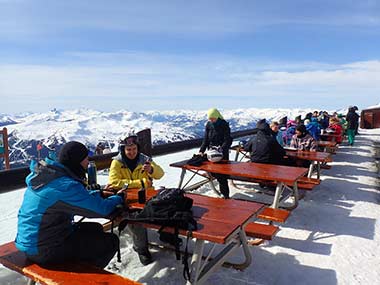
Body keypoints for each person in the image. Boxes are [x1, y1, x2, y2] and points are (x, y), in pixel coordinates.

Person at [15, 141, 123, 268]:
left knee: (95, 228)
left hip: (32, 241)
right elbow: (101, 210)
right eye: (86, 159)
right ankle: (86, 278)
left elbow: (78, 197)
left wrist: (99, 193)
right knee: (110, 241)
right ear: (77, 161)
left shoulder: (49, 176)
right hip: (44, 249)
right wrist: (118, 198)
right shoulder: (64, 185)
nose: (88, 162)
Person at [107, 133, 164, 265]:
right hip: (127, 199)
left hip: (146, 196)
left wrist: (151, 170)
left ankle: (167, 235)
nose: (132, 152)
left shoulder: (145, 159)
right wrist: (142, 183)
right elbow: (114, 182)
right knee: (135, 218)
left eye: (134, 149)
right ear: (123, 150)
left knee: (163, 209)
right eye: (128, 150)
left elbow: (160, 174)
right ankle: (142, 249)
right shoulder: (117, 162)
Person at [199, 108, 232, 199]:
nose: (211, 120)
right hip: (211, 153)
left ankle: (225, 195)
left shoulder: (224, 124)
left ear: (217, 116)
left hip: (222, 153)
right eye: (210, 118)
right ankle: (222, 193)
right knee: (214, 172)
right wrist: (202, 150)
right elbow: (206, 139)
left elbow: (228, 139)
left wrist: (221, 149)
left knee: (222, 175)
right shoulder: (209, 125)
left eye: (213, 118)